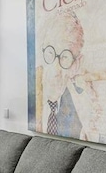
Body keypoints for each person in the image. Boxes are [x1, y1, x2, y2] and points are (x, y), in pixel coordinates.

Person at [36, 10, 102, 141]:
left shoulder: (83, 112)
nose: (55, 70)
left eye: (65, 57)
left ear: (77, 62)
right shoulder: (33, 95)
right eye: (50, 53)